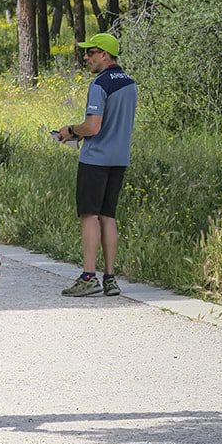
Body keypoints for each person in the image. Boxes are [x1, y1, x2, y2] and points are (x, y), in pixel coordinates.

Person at [56, 32, 137, 298]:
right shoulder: (129, 83)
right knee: (109, 216)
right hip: (119, 158)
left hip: (96, 158)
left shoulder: (100, 83)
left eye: (90, 52)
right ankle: (110, 279)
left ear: (104, 54)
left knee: (89, 215)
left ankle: (88, 276)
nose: (86, 57)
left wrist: (70, 130)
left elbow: (93, 126)